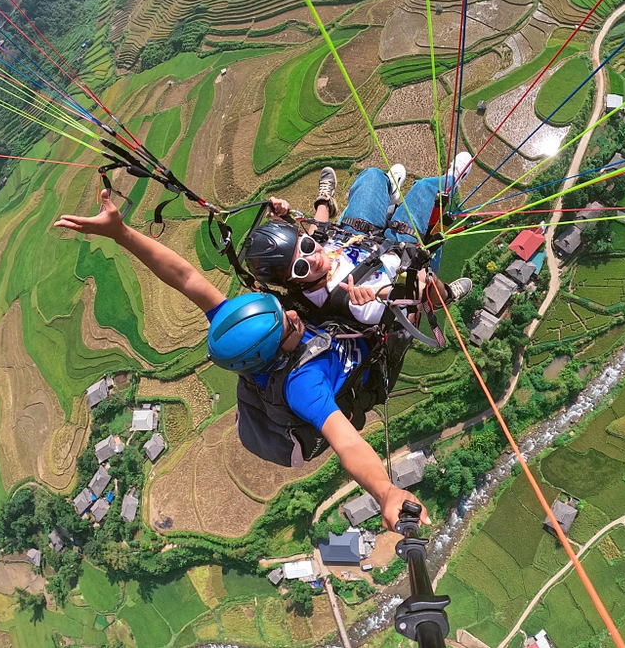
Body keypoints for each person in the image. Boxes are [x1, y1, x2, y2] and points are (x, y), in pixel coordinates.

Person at [54, 190, 428, 530]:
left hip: (344, 317)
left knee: (372, 200)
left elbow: (184, 277)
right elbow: (347, 444)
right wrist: (384, 491)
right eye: (289, 325)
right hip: (373, 341)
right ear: (277, 351)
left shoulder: (242, 326)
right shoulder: (303, 385)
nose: (294, 315)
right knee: (426, 228)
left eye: (283, 311)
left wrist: (121, 233)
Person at [244, 154, 475, 328]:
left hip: (358, 239)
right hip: (399, 258)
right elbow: (417, 294)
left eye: (305, 246)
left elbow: (318, 233)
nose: (313, 258)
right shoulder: (356, 302)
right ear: (292, 282)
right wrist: (380, 294)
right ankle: (452, 179)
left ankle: (386, 192)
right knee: (424, 190)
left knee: (372, 176)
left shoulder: (313, 257)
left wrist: (313, 206)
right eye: (301, 267)